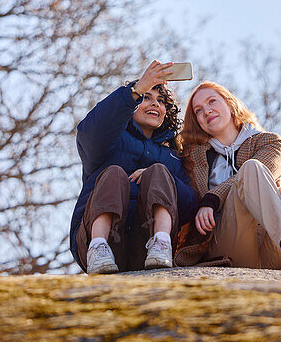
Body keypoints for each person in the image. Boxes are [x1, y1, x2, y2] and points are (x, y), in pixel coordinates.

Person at [174, 81, 281, 277]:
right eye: (198, 110)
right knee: (263, 177)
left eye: (212, 101)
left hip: (270, 248)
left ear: (230, 104)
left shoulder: (270, 142)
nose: (206, 110)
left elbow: (260, 173)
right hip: (226, 245)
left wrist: (212, 199)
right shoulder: (192, 155)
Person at [70, 61, 198, 275]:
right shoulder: (110, 140)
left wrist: (159, 178)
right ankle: (98, 246)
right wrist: (135, 90)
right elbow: (89, 134)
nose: (155, 104)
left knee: (158, 171)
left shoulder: (173, 157)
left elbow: (190, 204)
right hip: (100, 240)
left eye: (161, 101)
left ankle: (161, 242)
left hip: (146, 247)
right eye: (146, 97)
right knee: (114, 172)